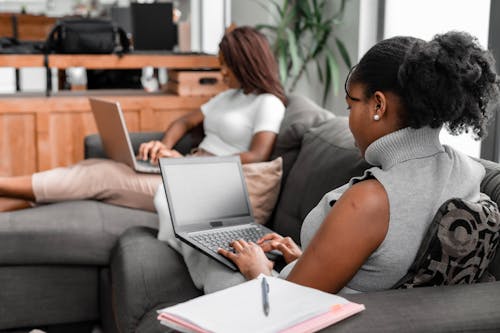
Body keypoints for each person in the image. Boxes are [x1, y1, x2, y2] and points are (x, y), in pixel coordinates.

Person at [179, 30, 499, 294]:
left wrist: (259, 271)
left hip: (287, 306)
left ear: (378, 105)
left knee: (205, 254)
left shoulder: (371, 200)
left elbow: (290, 304)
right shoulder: (468, 171)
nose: (349, 119)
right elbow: (385, 263)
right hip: (324, 290)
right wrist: (305, 260)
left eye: (350, 105)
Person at [0, 26, 286, 212]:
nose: (222, 73)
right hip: (189, 169)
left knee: (102, 176)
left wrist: (191, 165)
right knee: (94, 165)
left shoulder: (268, 103)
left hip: (207, 184)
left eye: (227, 66)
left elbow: (257, 155)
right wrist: (163, 146)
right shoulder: (229, 96)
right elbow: (184, 122)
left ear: (246, 64)